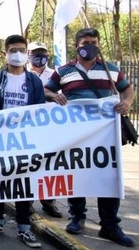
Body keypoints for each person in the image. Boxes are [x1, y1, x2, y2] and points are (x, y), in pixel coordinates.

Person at [45, 28, 135, 247]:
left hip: (105, 136)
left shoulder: (110, 70)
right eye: (85, 42)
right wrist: (54, 96)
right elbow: (46, 90)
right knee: (77, 176)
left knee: (108, 177)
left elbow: (128, 90)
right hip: (76, 136)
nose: (90, 46)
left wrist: (128, 103)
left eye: (94, 42)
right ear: (77, 46)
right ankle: (78, 216)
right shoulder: (64, 71)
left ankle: (110, 225)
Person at [0, 35, 43, 248]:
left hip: (25, 141)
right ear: (6, 53)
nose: (17, 53)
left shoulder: (34, 80)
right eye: (13, 49)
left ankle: (24, 227)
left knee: (23, 184)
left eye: (21, 49)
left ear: (27, 53)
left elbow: (39, 110)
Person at [26, 41, 62, 218]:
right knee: (30, 166)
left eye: (42, 52)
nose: (39, 56)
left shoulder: (55, 75)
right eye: (35, 52)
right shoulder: (22, 72)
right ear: (28, 54)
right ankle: (28, 202)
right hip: (28, 128)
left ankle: (49, 202)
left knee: (50, 166)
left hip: (49, 128)